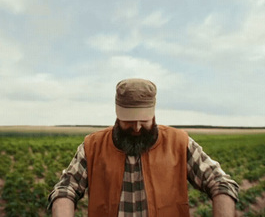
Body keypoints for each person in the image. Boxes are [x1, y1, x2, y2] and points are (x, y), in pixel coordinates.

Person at [48, 78, 239, 217]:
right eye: (129, 122)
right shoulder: (92, 147)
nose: (137, 128)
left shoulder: (179, 143)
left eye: (144, 121)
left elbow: (221, 183)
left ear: (153, 115)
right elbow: (65, 189)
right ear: (117, 116)